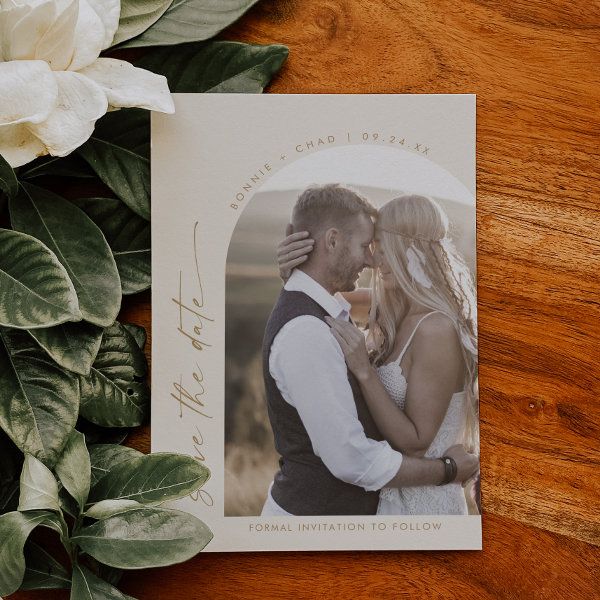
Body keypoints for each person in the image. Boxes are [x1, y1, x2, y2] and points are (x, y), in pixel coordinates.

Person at [262, 184, 478, 516]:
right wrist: (295, 276)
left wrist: (365, 371)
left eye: (380, 247)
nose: (372, 259)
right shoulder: (385, 313)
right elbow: (319, 302)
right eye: (368, 246)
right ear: (333, 241)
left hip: (423, 504)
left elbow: (416, 442)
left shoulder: (435, 329)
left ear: (412, 250)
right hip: (390, 500)